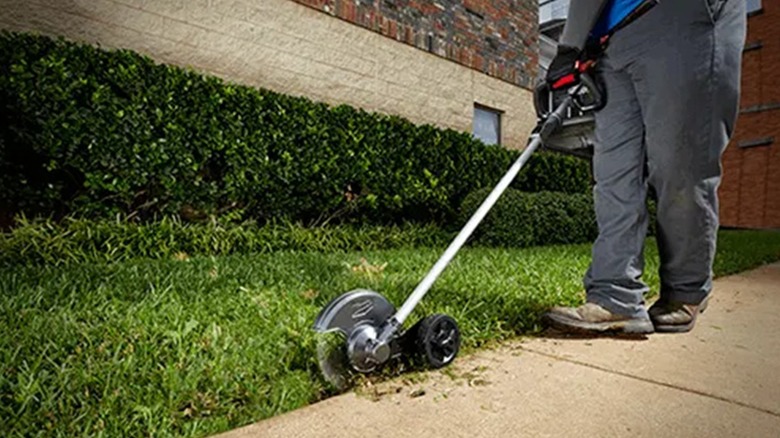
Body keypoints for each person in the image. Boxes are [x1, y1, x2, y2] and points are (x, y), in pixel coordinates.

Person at [542, 0, 747, 334]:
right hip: (612, 41)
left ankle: (685, 289)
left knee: (680, 166)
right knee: (613, 175)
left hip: (683, 19)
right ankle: (615, 297)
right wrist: (575, 44)